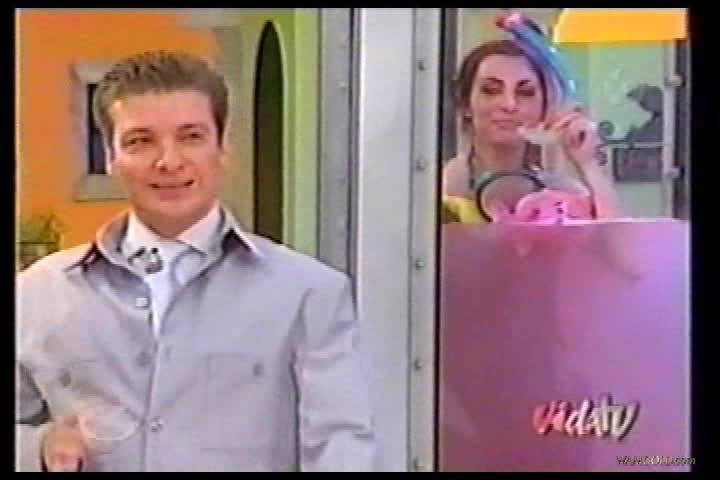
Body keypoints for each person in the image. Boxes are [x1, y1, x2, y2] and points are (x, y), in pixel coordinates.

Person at [16, 51, 378, 472]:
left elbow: (343, 447)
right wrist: (38, 449)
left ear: (222, 148)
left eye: (191, 137)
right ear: (111, 157)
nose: (169, 161)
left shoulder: (308, 294)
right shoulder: (40, 292)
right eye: (140, 141)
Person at [442, 39, 621, 224]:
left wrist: (588, 165)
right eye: (491, 90)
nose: (509, 104)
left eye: (525, 92)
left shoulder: (563, 194)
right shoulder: (437, 187)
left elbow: (615, 238)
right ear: (465, 103)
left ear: (544, 106)